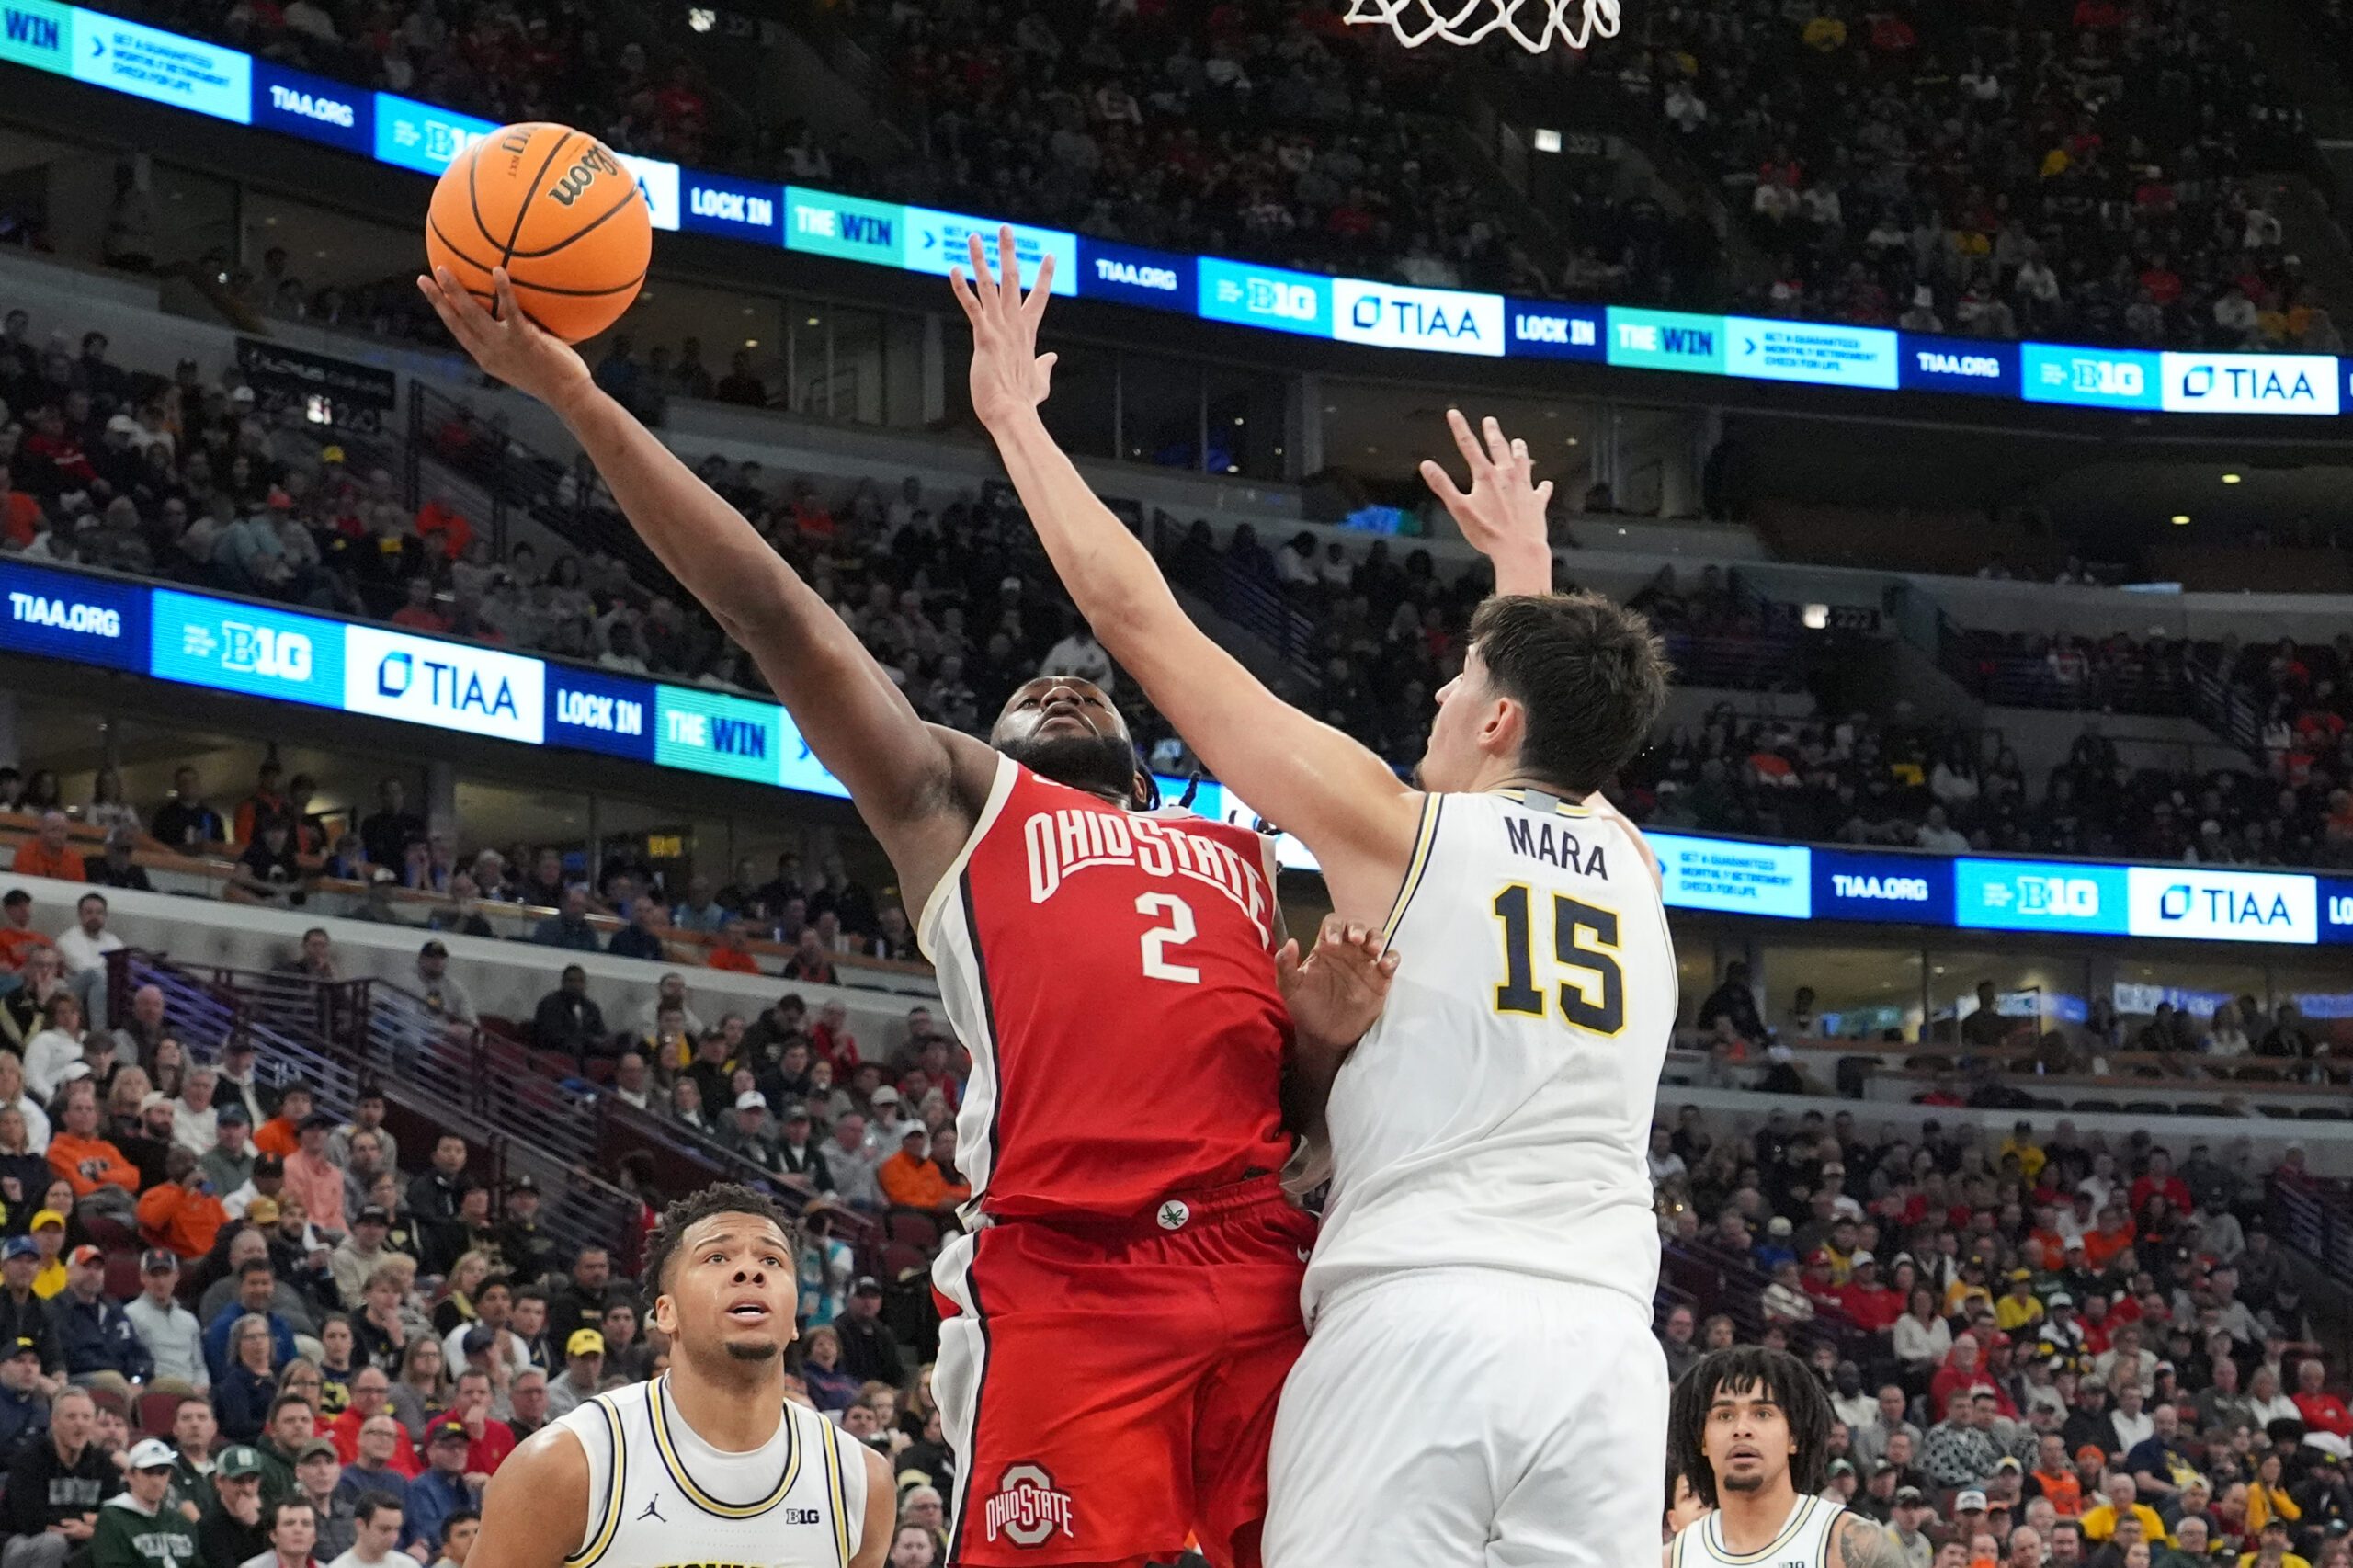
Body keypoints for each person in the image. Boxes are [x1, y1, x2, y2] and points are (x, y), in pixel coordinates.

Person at [421, 263, 1396, 1568]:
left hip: (1253, 1252)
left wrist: (1323, 1036)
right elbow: (772, 610)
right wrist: (576, 394)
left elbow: (1295, 1123)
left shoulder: (1234, 848)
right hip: (1074, 1275)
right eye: (1027, 694)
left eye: (1090, 691)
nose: (1061, 679)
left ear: (1150, 768)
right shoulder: (964, 809)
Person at [958, 235, 1676, 1566]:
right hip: (1609, 1361)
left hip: (1425, 1325)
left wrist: (1015, 421)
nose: (1437, 704)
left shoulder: (1399, 834)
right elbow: (1562, 737)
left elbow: (1142, 620)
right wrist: (1524, 568)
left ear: (1499, 715)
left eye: (1458, 686)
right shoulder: (1635, 863)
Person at [467, 1186, 896, 1568]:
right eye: (717, 1257)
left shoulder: (859, 1482)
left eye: (772, 1259)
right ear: (666, 1314)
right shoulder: (568, 1464)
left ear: (794, 1318)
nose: (751, 1272)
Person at [1666, 1346, 1897, 1567]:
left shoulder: (1854, 1546)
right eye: (1725, 1415)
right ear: (1703, 1440)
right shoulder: (1670, 1560)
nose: (1742, 1428)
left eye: (1763, 1414)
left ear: (1793, 1436)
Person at [1, 1387, 114, 1568]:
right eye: (71, 1417)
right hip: (20, 1543)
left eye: (86, 1417)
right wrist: (91, 1520)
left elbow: (115, 1516)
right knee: (53, 1543)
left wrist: (88, 1531)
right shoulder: (30, 1458)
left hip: (77, 1542)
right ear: (54, 1422)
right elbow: (31, 1520)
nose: (80, 1423)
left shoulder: (103, 1463)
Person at [92, 1437, 199, 1568]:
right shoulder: (112, 1518)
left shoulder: (181, 1523)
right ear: (130, 1476)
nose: (156, 1481)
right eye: (148, 1472)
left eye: (162, 1473)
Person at [199, 1447, 273, 1568]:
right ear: (219, 1482)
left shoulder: (270, 1517)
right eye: (239, 1481)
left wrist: (257, 1524)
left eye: (252, 1480)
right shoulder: (209, 1525)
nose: (247, 1489)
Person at [324, 1493, 403, 1568]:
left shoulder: (408, 1565)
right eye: (384, 1530)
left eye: (396, 1529)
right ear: (360, 1525)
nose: (393, 1537)